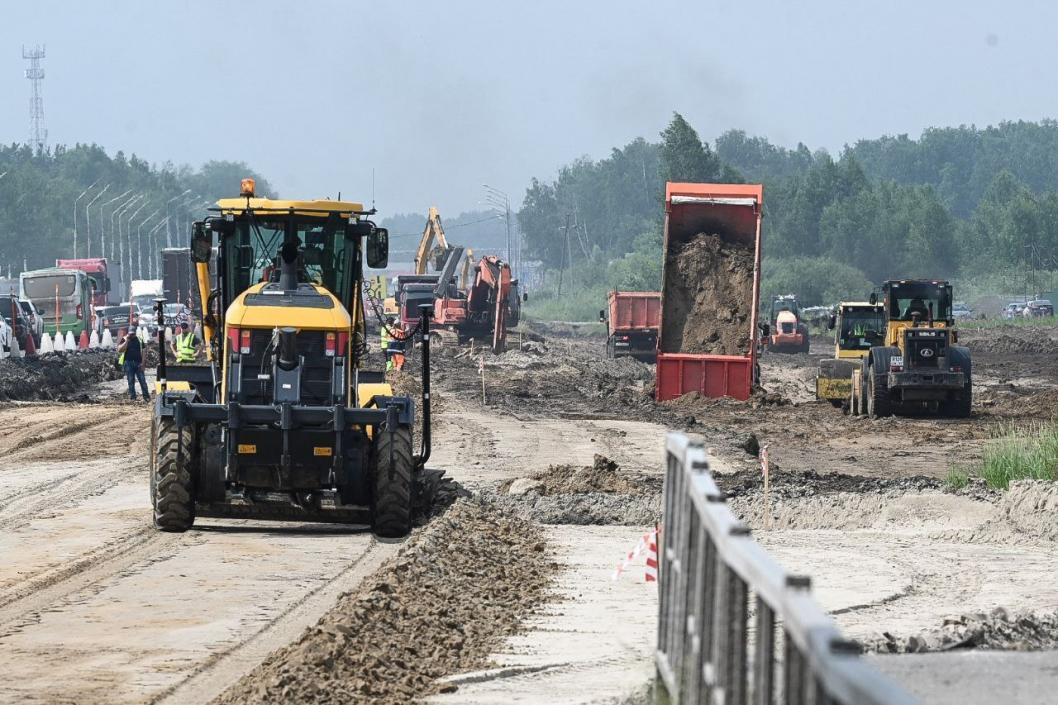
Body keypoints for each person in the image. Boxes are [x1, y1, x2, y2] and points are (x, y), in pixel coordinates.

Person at [117, 329, 150, 402]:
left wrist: (143, 363)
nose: (132, 336)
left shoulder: (139, 339)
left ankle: (146, 396)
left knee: (142, 380)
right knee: (131, 381)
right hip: (128, 363)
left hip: (138, 363)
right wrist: (127, 341)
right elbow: (119, 350)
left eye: (133, 334)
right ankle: (133, 397)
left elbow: (144, 351)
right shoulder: (125, 339)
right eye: (130, 334)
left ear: (135, 333)